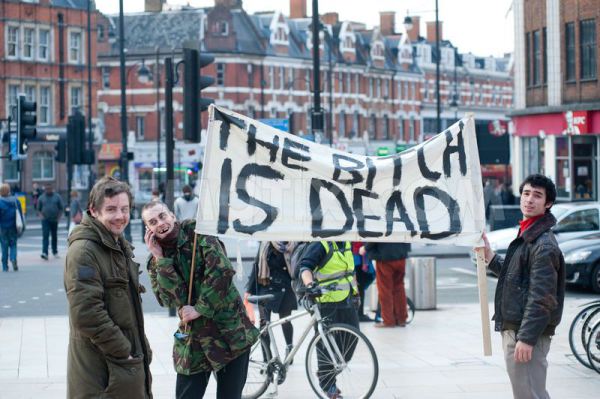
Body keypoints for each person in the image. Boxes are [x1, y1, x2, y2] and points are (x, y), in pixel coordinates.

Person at [142, 201, 258, 399]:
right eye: (152, 222)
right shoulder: (156, 259)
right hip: (194, 341)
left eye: (162, 216)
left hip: (229, 333)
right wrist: (161, 260)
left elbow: (221, 272)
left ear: (172, 215)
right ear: (148, 229)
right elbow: (168, 299)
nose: (160, 223)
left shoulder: (199, 233)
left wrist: (200, 308)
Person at [477, 174, 565, 399]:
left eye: (537, 196)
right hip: (519, 328)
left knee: (529, 394)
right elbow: (517, 278)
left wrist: (526, 338)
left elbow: (542, 298)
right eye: (526, 193)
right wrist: (489, 256)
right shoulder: (528, 233)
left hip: (526, 333)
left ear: (548, 204)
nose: (529, 200)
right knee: (526, 392)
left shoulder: (543, 244)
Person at [64, 176, 153, 398]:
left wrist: (140, 347)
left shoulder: (116, 244)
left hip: (121, 365)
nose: (120, 216)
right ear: (94, 211)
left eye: (124, 209)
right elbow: (86, 313)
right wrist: (124, 350)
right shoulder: (85, 251)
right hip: (103, 369)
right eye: (111, 209)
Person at [297, 241, 359, 399]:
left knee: (352, 339)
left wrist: (356, 292)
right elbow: (304, 267)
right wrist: (310, 285)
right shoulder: (321, 244)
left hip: (346, 299)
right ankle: (327, 383)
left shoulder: (345, 243)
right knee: (325, 343)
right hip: (325, 301)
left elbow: (350, 271)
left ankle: (326, 372)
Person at [245, 241, 298, 360]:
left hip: (285, 287)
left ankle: (289, 350)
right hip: (266, 286)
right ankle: (266, 357)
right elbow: (256, 265)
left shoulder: (293, 244)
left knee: (286, 321)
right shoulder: (265, 243)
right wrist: (249, 289)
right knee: (264, 323)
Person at [361, 242, 411, 328]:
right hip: (401, 255)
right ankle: (401, 319)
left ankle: (388, 321)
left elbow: (377, 235)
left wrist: (365, 248)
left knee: (385, 290)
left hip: (384, 257)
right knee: (399, 287)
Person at [37, 183, 64, 260]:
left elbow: (61, 208)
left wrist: (59, 218)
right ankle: (45, 252)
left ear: (52, 188)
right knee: (45, 236)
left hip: (54, 219)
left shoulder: (57, 197)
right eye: (47, 189)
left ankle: (55, 251)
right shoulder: (41, 197)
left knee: (54, 236)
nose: (48, 190)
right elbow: (38, 209)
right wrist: (41, 216)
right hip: (45, 219)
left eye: (49, 189)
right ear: (45, 189)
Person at [0, 184, 23, 272]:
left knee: (4, 245)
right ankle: (13, 259)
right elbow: (20, 215)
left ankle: (5, 266)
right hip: (13, 226)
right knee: (13, 244)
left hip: (2, 227)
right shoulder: (15, 201)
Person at [351, 242, 376, 322]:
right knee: (358, 286)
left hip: (358, 258)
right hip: (358, 258)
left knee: (357, 286)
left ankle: (358, 313)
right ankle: (359, 314)